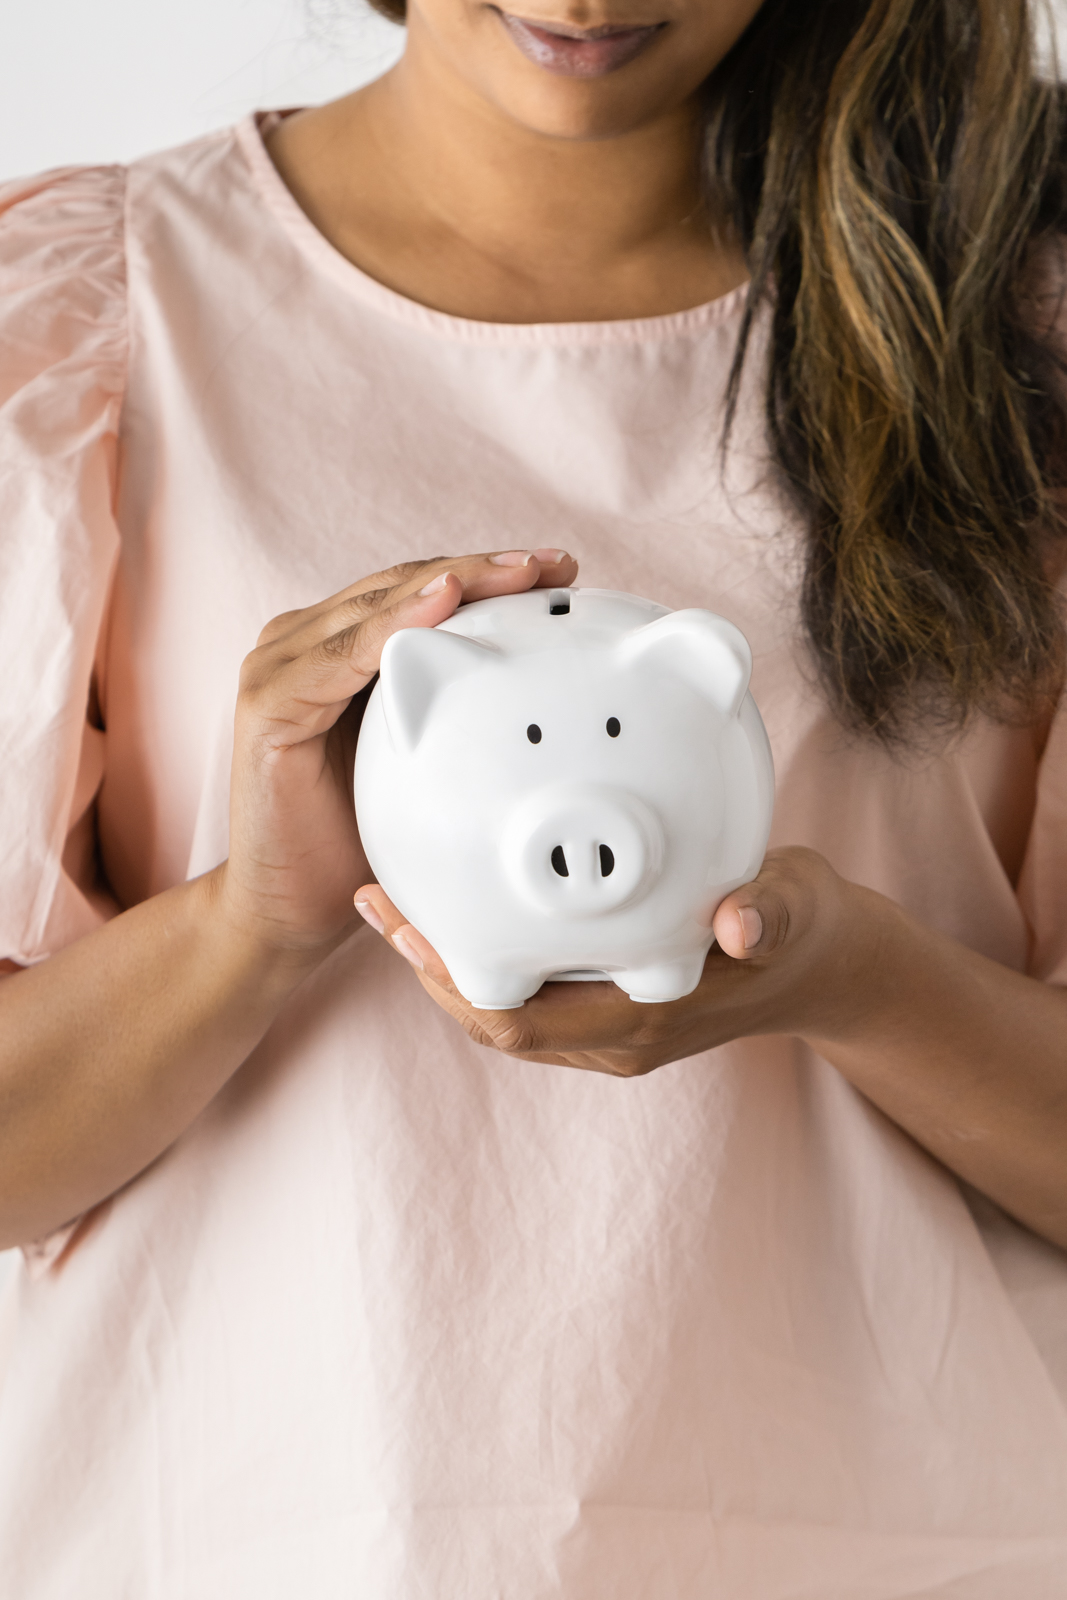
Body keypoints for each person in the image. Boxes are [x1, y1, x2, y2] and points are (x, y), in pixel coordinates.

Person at [1, 0, 1066, 1592]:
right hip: (255, 1530)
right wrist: (247, 928)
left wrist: (853, 974)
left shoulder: (1012, 322)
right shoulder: (90, 318)